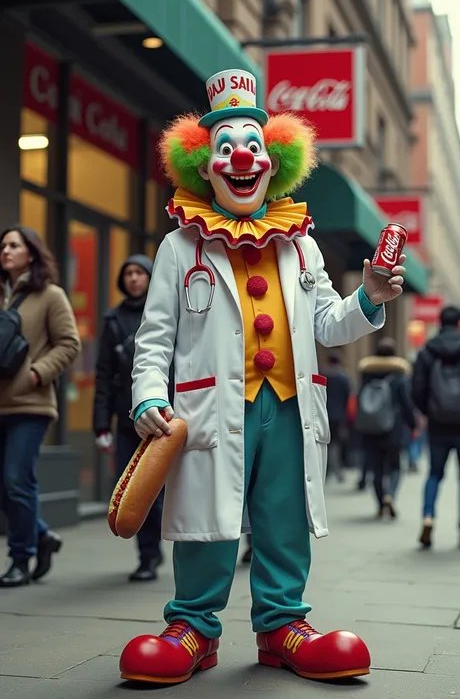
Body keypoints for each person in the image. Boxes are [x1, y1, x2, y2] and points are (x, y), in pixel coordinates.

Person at [118, 69, 406, 686]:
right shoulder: (179, 247)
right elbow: (155, 339)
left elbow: (328, 324)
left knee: (284, 513)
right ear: (205, 167)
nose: (240, 157)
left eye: (251, 145)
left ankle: (283, 625)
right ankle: (192, 624)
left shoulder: (301, 246)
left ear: (273, 162)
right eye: (224, 148)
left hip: (288, 406)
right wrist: (147, 397)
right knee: (207, 516)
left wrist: (370, 298)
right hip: (207, 410)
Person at [0, 225, 81, 587]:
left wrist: (35, 374)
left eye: (13, 245)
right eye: (3, 245)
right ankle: (43, 535)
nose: (5, 251)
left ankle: (20, 559)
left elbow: (68, 344)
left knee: (17, 479)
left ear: (30, 252)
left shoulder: (50, 295)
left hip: (30, 405)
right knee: (5, 486)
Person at [93, 255, 171, 582]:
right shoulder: (113, 320)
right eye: (128, 274)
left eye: (140, 273)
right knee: (138, 494)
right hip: (128, 420)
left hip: (168, 416)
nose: (134, 279)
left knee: (170, 493)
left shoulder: (166, 312)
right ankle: (148, 556)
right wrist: (100, 425)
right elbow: (103, 375)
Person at [412, 305, 460, 549]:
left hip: (438, 424)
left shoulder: (428, 350)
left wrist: (428, 412)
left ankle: (428, 517)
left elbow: (417, 388)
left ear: (439, 323)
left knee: (434, 474)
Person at [356, 338, 416, 518]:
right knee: (396, 465)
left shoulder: (366, 374)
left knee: (377, 469)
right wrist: (412, 424)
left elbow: (360, 400)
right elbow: (406, 403)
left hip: (371, 429)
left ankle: (380, 504)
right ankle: (390, 495)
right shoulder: (399, 376)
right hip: (393, 429)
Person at [321, 350, 352, 482]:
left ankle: (326, 470)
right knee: (336, 444)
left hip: (323, 413)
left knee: (324, 443)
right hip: (339, 415)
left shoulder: (322, 375)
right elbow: (348, 398)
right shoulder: (344, 378)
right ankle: (337, 470)